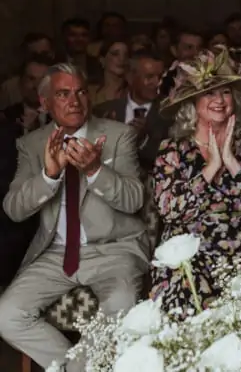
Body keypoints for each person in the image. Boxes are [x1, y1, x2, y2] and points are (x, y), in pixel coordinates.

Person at [0, 63, 148, 371]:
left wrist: (96, 170)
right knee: (7, 314)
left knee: (121, 305)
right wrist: (48, 176)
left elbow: (135, 201)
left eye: (80, 91)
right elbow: (14, 209)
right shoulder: (31, 144)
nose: (74, 101)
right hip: (56, 254)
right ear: (46, 103)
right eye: (63, 94)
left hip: (115, 249)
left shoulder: (119, 136)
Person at [149, 46, 241, 313]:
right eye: (208, 93)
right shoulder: (172, 149)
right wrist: (211, 168)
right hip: (190, 248)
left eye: (225, 92)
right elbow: (169, 210)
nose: (219, 100)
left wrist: (232, 162)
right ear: (192, 103)